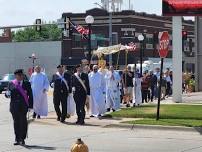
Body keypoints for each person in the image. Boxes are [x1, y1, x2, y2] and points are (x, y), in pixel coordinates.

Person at [6, 69, 33, 146]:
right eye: (19, 75)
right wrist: (7, 94)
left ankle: (22, 138)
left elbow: (30, 95)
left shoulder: (27, 83)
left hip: (23, 106)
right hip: (14, 107)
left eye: (22, 75)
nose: (21, 76)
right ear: (16, 76)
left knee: (23, 122)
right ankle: (17, 139)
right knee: (16, 122)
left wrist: (30, 106)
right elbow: (8, 94)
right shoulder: (11, 83)